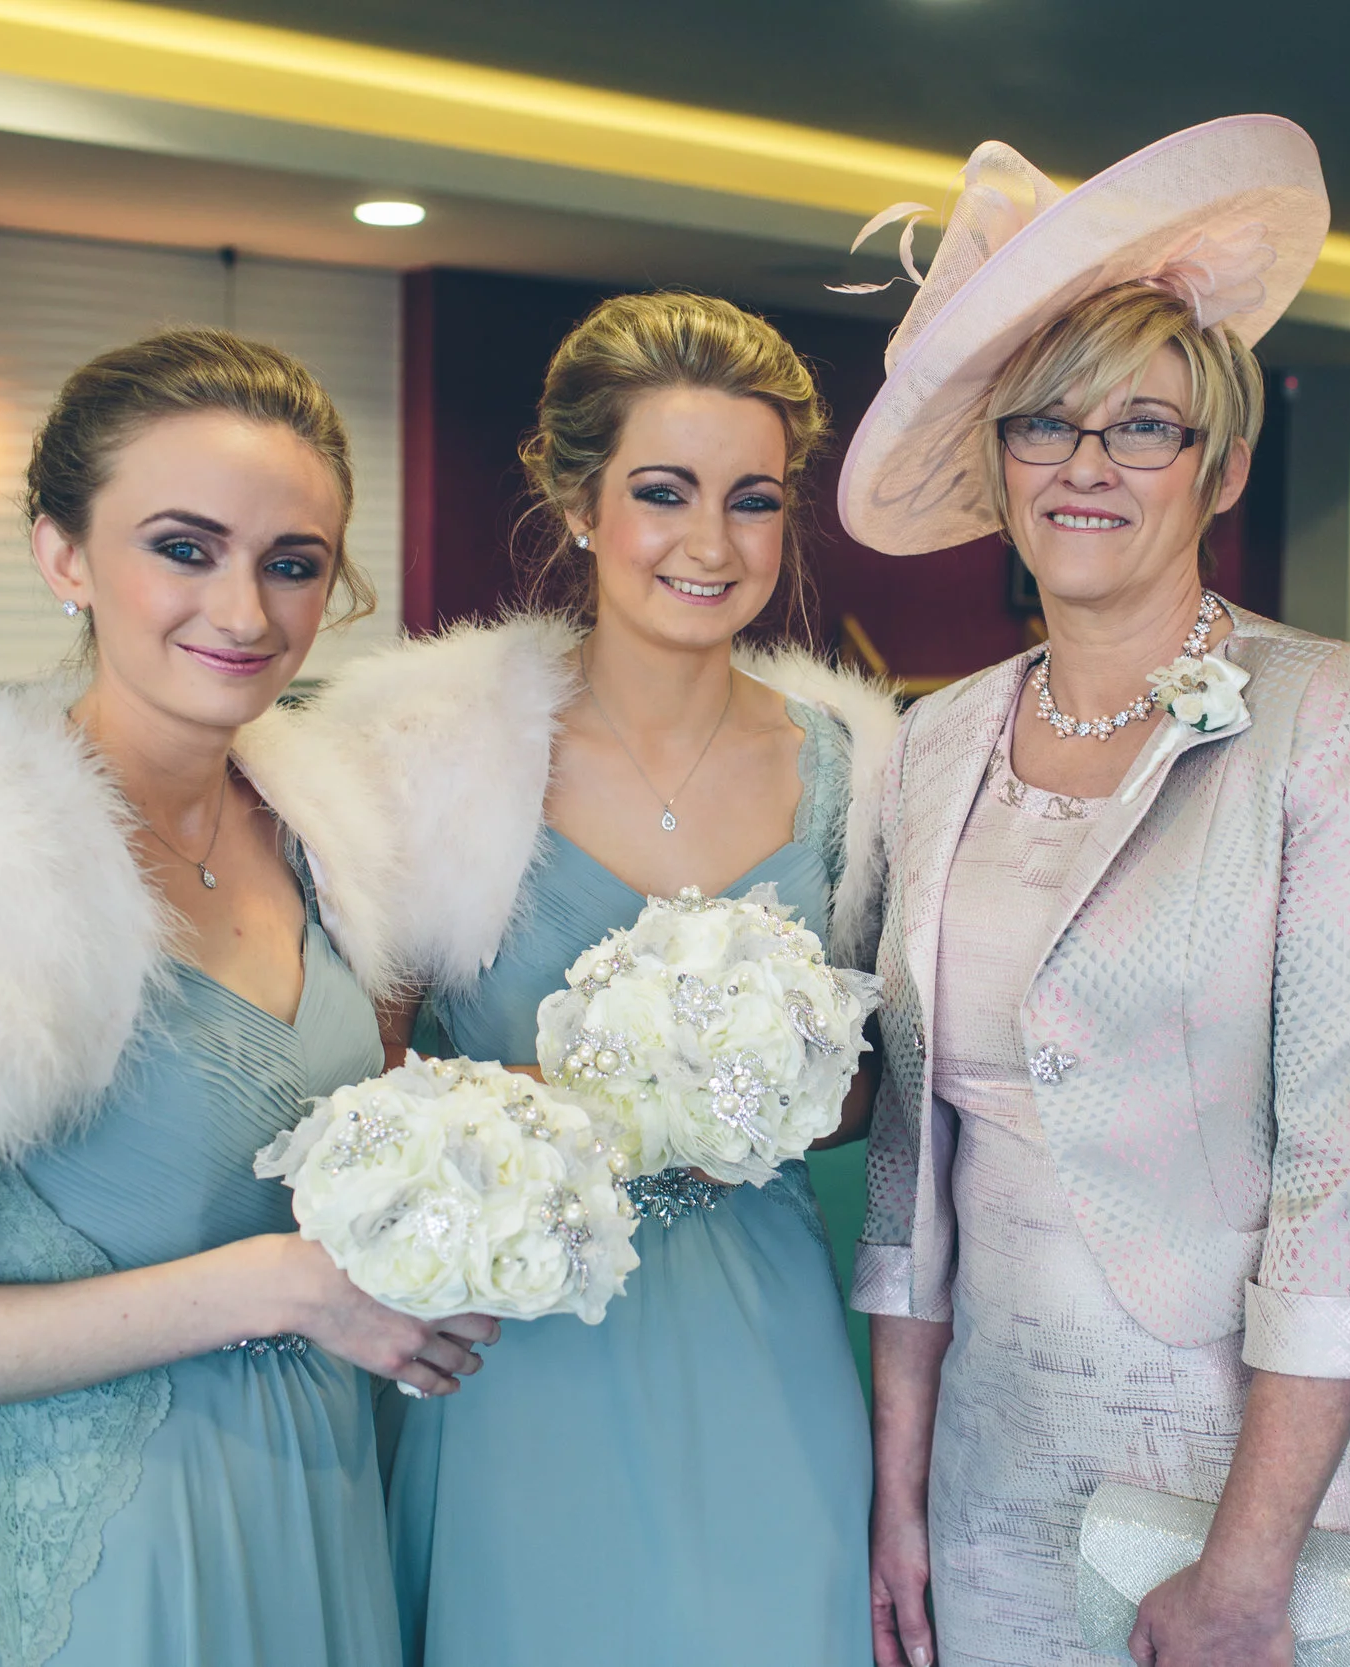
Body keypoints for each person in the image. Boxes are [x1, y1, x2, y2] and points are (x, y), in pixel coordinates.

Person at [0, 328, 499, 1667]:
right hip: (130, 1557)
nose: (244, 611)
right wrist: (273, 1287)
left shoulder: (331, 835)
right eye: (183, 546)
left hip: (333, 1483)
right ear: (63, 555)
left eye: (292, 563)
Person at [838, 119, 1350, 1667]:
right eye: (1045, 424)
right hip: (987, 1438)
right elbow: (912, 1156)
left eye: (1144, 428)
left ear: (1223, 467)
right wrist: (897, 1483)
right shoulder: (934, 739)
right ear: (997, 461)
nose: (1087, 464)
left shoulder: (1333, 712)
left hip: (1248, 1453)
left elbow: (1348, 1170)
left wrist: (1249, 1566)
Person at [302, 290, 897, 1666]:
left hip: (764, 1327)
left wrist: (761, 1084)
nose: (710, 543)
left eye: (752, 499)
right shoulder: (436, 752)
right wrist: (567, 1105)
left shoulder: (856, 771)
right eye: (663, 491)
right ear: (578, 499)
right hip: (518, 1324)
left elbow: (876, 1084)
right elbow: (355, 1078)